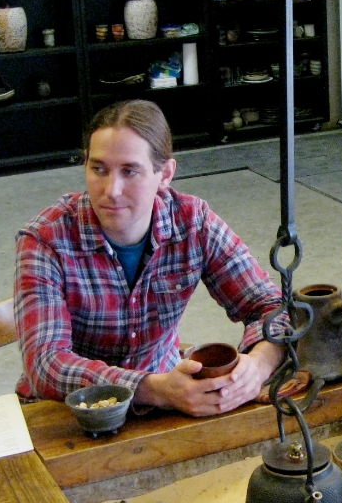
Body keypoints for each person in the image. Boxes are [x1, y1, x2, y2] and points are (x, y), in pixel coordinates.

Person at [15, 100, 287, 417]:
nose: (111, 190)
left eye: (130, 171)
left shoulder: (193, 223)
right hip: (67, 413)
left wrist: (259, 364)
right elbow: (45, 363)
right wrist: (154, 388)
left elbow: (271, 306)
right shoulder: (45, 240)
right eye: (98, 169)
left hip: (162, 407)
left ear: (165, 174)